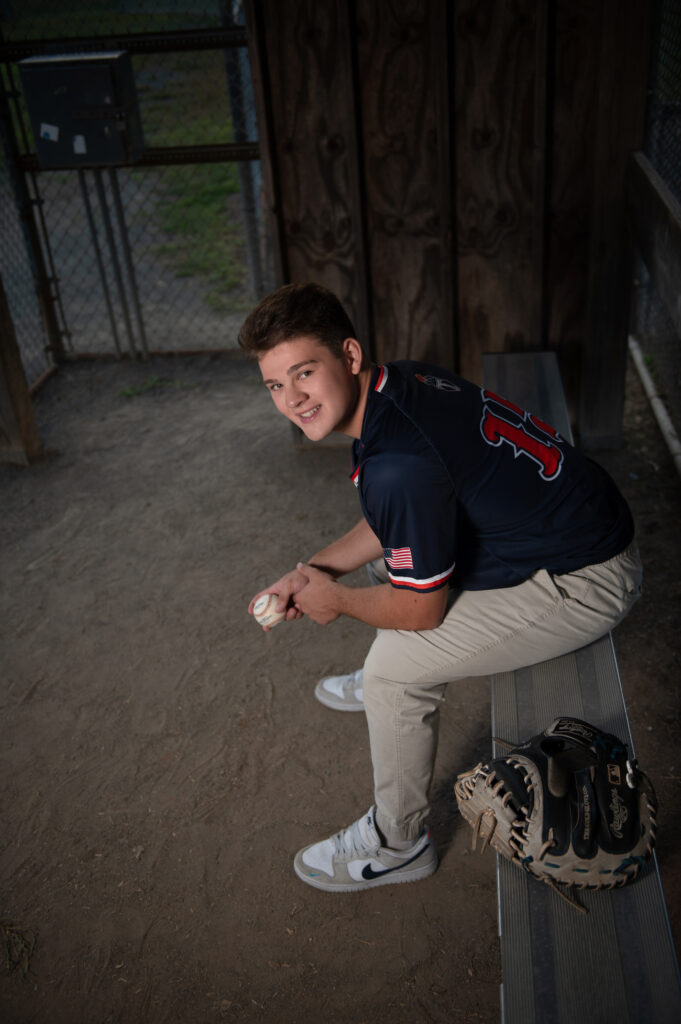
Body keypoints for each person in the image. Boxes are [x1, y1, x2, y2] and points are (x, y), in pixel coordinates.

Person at [239, 282, 642, 893]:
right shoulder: (400, 383)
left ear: (348, 356)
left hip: (586, 578)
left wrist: (337, 601)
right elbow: (400, 519)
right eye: (275, 385)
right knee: (389, 571)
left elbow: (420, 609)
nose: (292, 398)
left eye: (303, 373)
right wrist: (314, 570)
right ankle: (383, 702)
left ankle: (398, 843)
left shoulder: (396, 465)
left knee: (394, 669)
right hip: (562, 527)